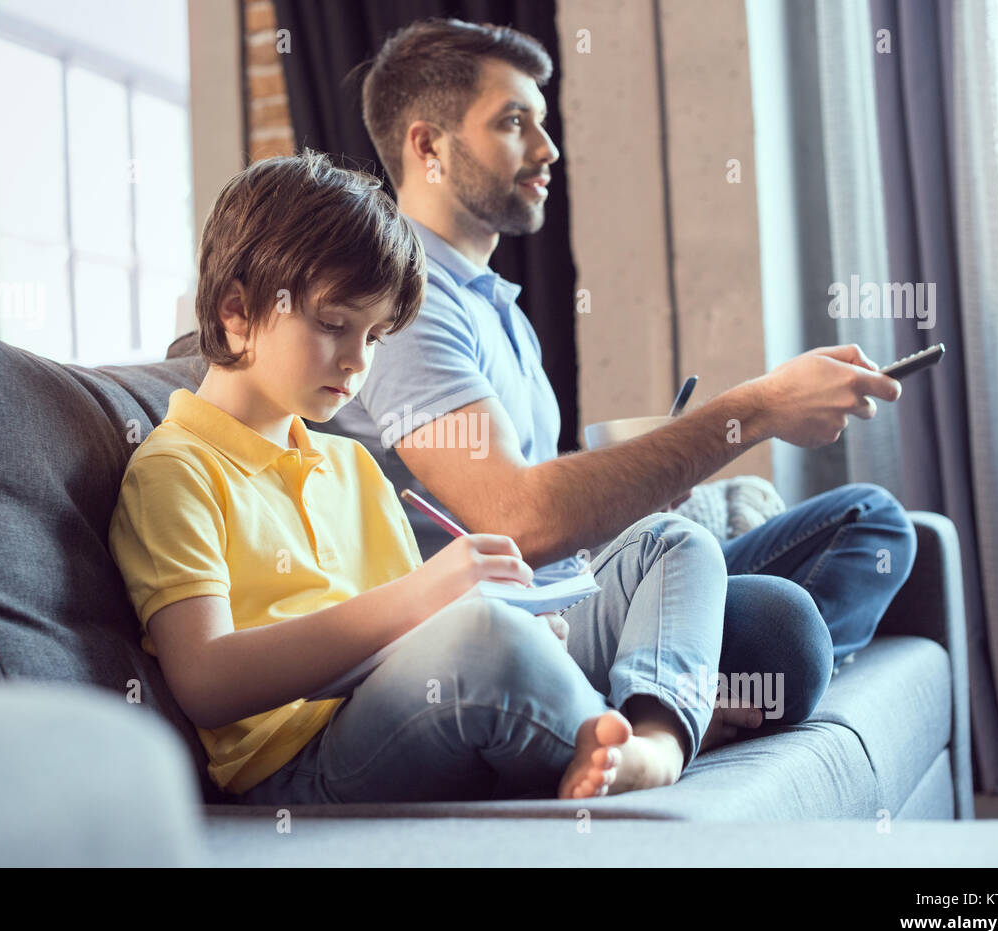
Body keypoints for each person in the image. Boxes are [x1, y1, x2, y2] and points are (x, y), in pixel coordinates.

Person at [109, 150, 749, 805]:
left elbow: (410, 643)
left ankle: (655, 739)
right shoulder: (173, 470)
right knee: (484, 640)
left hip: (413, 696)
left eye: (377, 334)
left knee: (669, 541)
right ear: (235, 311)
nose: (358, 360)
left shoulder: (349, 465)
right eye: (334, 324)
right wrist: (432, 598)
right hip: (304, 756)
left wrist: (492, 615)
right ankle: (639, 728)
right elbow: (208, 680)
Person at [316, 18, 918, 694]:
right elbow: (518, 517)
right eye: (515, 123)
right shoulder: (404, 299)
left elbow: (536, 491)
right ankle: (665, 695)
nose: (548, 150)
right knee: (779, 625)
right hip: (515, 623)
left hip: (581, 586)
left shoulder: (494, 305)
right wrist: (761, 407)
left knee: (870, 521)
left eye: (543, 123)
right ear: (428, 145)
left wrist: (648, 475)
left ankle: (686, 687)